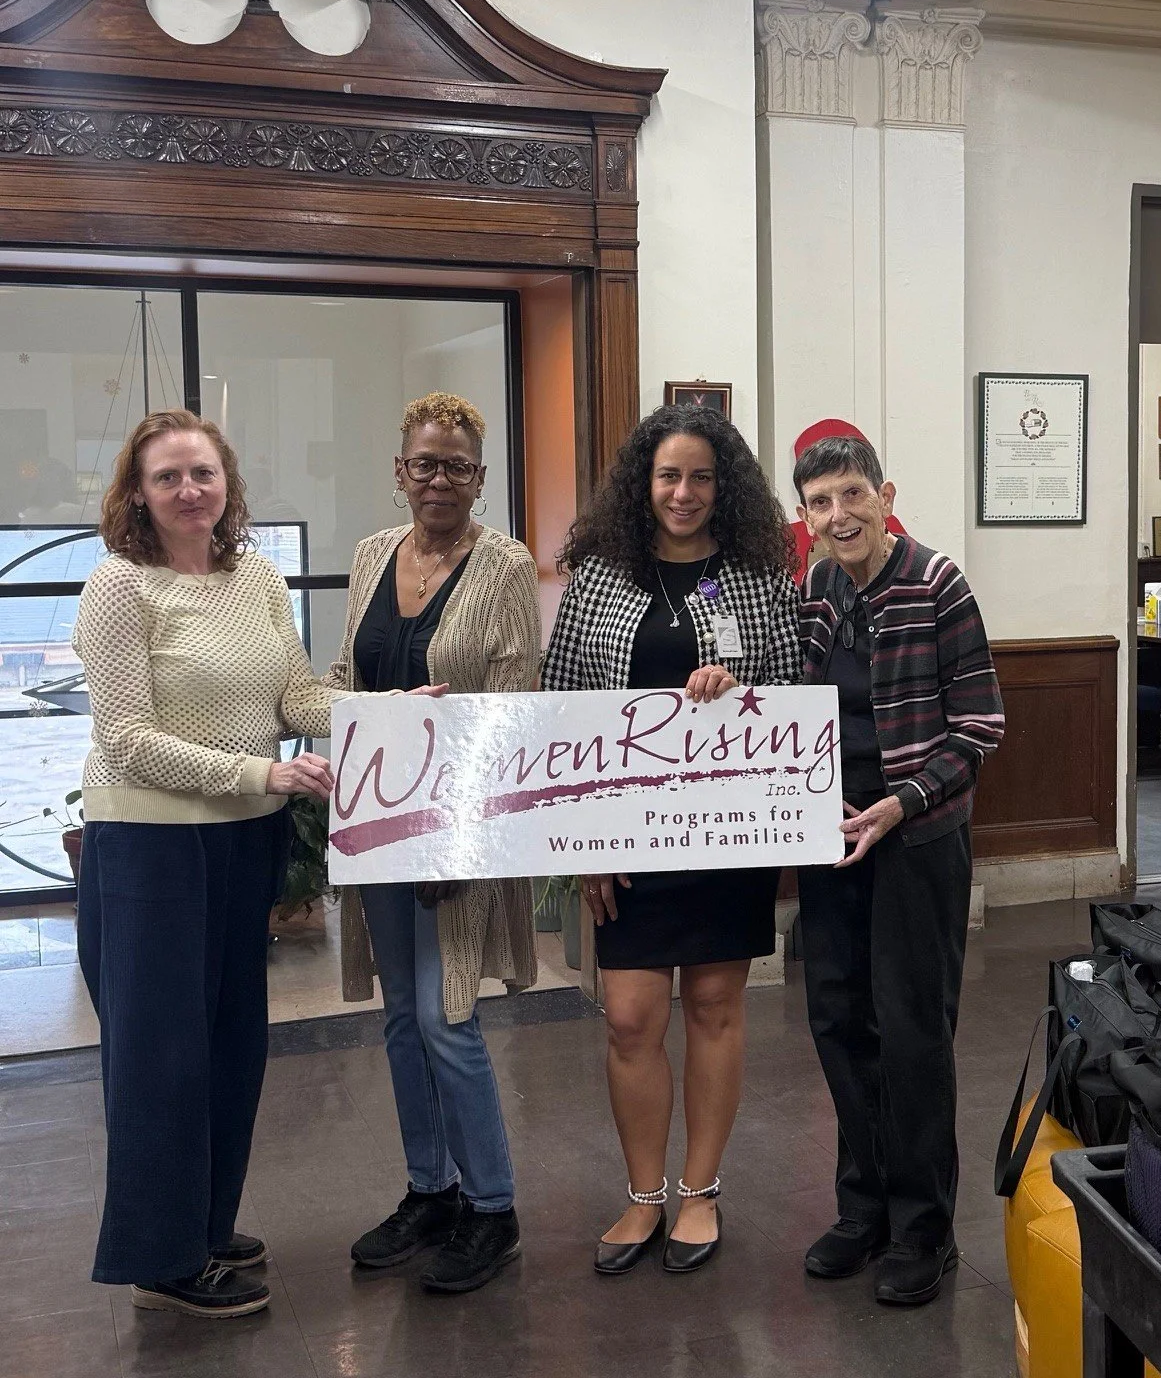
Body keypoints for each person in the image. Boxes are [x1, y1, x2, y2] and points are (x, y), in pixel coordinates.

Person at [73, 408, 353, 1318]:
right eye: (167, 478)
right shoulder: (119, 586)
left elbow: (295, 693)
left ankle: (199, 1221)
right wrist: (263, 768)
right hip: (150, 843)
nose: (189, 490)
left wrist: (385, 709)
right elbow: (125, 739)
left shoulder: (257, 578)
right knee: (161, 1057)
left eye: (202, 472)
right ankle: (160, 1259)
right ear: (139, 495)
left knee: (231, 1046)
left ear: (227, 480)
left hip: (245, 835)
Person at [541, 402, 799, 1275]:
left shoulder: (760, 578)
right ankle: (642, 1195)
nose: (682, 493)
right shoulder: (598, 578)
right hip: (626, 842)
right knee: (628, 1018)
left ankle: (699, 1192)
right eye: (667, 476)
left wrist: (743, 688)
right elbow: (561, 712)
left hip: (725, 833)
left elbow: (792, 689)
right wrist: (582, 845)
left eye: (699, 477)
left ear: (722, 487)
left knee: (715, 1008)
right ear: (641, 484)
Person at [327, 392, 541, 1294]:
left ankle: (492, 1209)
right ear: (400, 471)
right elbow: (347, 673)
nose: (439, 478)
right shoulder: (372, 554)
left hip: (456, 834)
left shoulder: (505, 566)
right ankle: (431, 1190)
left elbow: (514, 712)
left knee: (445, 1016)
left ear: (479, 479)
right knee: (396, 1017)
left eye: (457, 464)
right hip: (379, 830)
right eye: (425, 462)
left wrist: (458, 840)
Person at [793, 434, 1004, 1307]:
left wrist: (904, 800)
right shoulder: (813, 588)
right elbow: (790, 696)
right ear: (803, 518)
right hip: (831, 835)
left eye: (851, 496)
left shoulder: (936, 583)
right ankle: (863, 1209)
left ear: (884, 493)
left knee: (910, 1031)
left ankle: (924, 1230)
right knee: (839, 1021)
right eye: (818, 504)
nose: (838, 517)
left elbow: (980, 727)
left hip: (914, 839)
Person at [787, 419, 905, 582]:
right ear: (807, 518)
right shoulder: (815, 582)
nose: (839, 516)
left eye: (853, 493)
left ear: (885, 498)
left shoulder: (934, 582)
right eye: (821, 502)